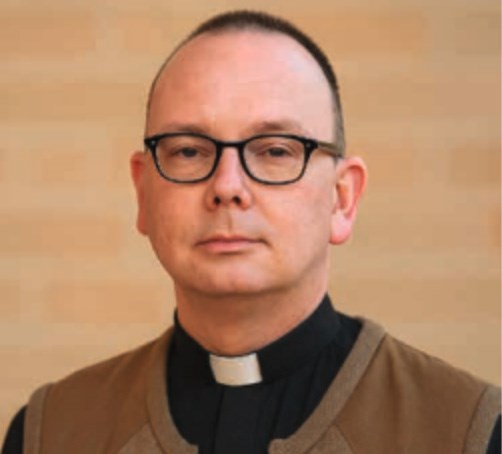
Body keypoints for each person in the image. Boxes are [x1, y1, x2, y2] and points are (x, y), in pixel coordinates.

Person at [2, 10, 500, 454]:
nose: (227, 187)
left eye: (275, 150)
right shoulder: (50, 432)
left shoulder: (468, 432)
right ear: (143, 193)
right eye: (189, 151)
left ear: (342, 198)